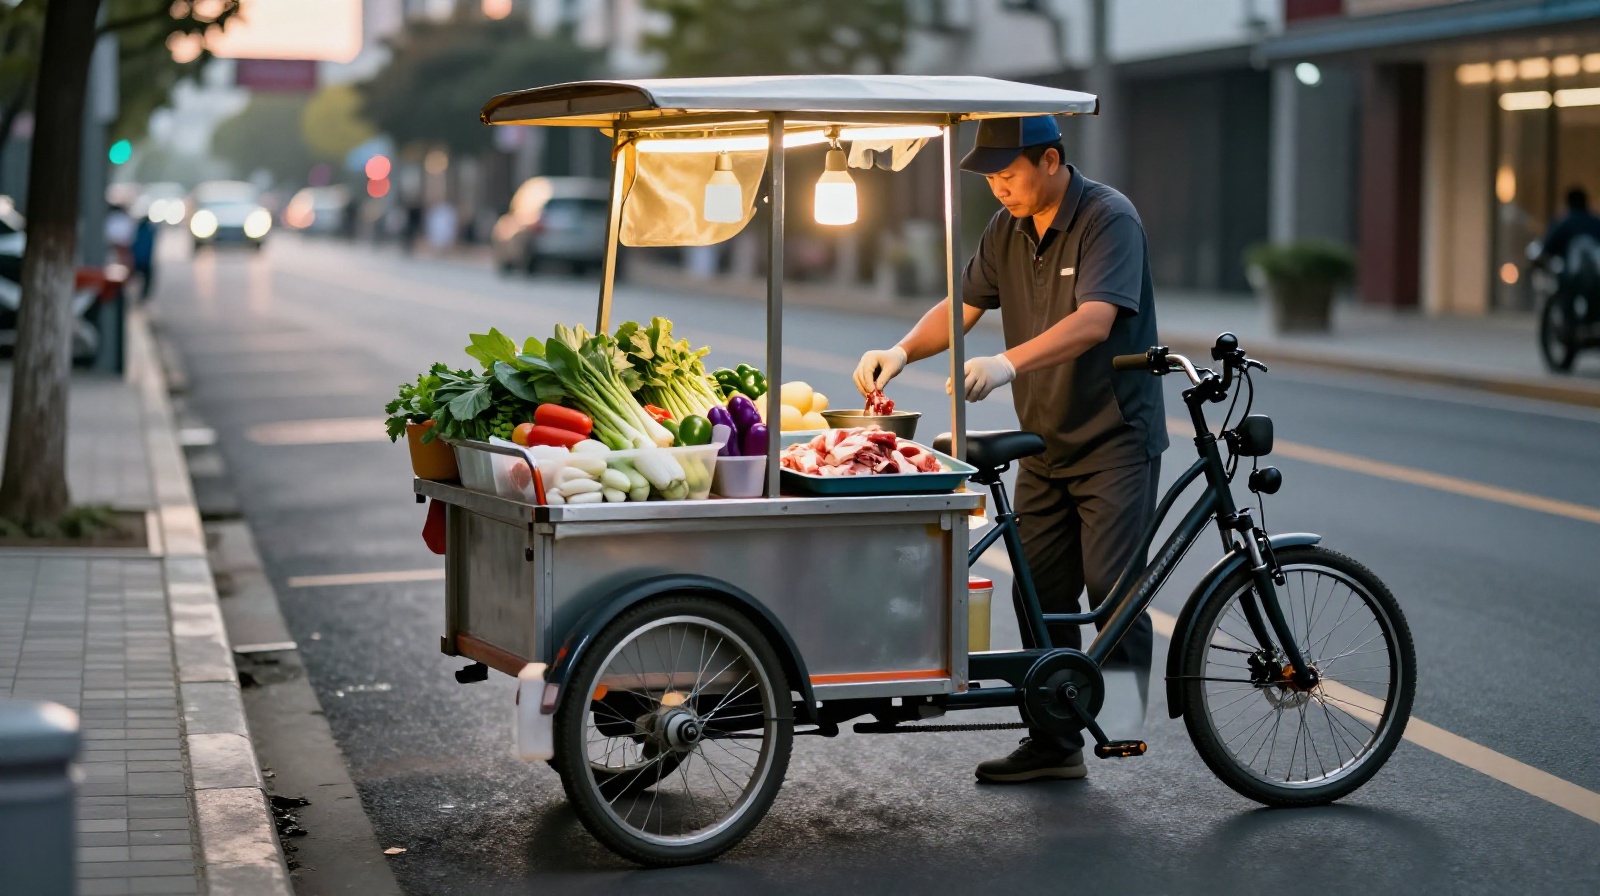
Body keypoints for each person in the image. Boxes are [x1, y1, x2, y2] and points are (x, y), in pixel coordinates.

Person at [854, 116, 1168, 783]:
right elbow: (962, 304)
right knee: (1039, 593)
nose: (998, 188)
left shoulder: (1108, 219)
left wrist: (1005, 364)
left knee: (1110, 586)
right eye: (991, 178)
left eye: (1008, 174)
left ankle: (1125, 724)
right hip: (1045, 442)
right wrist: (901, 351)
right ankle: (1056, 744)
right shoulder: (1007, 230)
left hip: (1113, 437)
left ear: (1050, 160)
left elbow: (1095, 321)